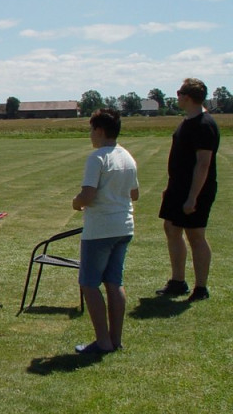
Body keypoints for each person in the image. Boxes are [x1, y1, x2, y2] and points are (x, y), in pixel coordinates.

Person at [71, 108, 140, 355]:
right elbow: (135, 194)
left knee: (89, 284)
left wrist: (75, 202)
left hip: (100, 230)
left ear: (99, 131)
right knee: (114, 282)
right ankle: (116, 339)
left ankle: (102, 341)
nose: (90, 135)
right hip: (124, 227)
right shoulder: (128, 157)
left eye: (91, 129)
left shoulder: (97, 158)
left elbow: (87, 196)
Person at [156, 78, 219, 302]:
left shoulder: (204, 125)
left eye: (180, 93)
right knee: (172, 228)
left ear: (188, 96)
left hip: (196, 190)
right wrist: (170, 188)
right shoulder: (187, 121)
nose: (177, 96)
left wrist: (193, 197)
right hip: (178, 188)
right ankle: (178, 281)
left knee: (195, 235)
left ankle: (200, 288)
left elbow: (203, 164)